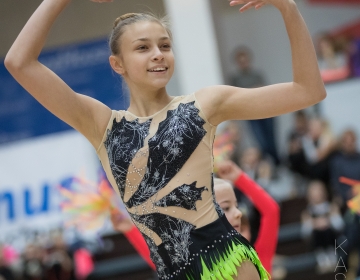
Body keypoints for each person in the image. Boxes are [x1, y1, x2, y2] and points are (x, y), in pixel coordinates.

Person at [5, 0, 326, 278]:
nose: (158, 54)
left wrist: (288, 8)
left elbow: (308, 91)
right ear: (117, 64)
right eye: (143, 47)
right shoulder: (101, 124)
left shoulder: (203, 105)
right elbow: (19, 62)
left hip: (224, 263)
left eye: (165, 45)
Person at [111, 174, 279, 275]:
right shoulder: (197, 268)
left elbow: (271, 211)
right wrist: (130, 229)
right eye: (227, 207)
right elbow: (160, 260)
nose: (238, 214)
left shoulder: (258, 257)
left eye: (244, 227)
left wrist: (238, 177)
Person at [230, 47, 279, 165]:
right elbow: (237, 95)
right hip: (251, 116)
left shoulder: (257, 74)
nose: (244, 63)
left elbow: (264, 90)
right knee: (261, 143)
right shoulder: (235, 79)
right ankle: (269, 165)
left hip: (267, 112)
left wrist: (249, 92)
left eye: (245, 60)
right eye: (241, 61)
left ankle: (277, 164)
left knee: (272, 141)